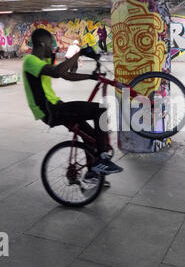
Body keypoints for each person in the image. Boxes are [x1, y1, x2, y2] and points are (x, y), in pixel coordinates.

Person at [22, 28, 123, 183]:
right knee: (100, 110)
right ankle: (102, 159)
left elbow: (67, 75)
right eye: (50, 43)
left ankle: (92, 174)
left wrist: (91, 76)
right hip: (49, 111)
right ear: (42, 43)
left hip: (56, 106)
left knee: (93, 137)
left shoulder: (43, 61)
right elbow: (57, 72)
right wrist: (79, 53)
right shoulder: (30, 61)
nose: (53, 46)